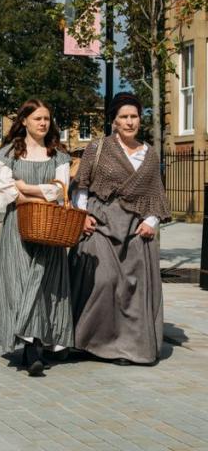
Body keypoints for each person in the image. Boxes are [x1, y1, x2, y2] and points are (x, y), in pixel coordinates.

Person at [69, 92, 170, 366]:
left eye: (134, 116)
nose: (129, 122)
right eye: (123, 117)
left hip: (135, 228)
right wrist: (82, 214)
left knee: (131, 287)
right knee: (104, 280)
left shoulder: (149, 155)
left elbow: (156, 196)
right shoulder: (97, 148)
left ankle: (126, 348)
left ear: (140, 119)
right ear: (113, 121)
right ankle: (88, 341)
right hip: (100, 222)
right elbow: (81, 186)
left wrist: (151, 223)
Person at [0, 99, 73, 376]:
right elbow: (4, 188)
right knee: (18, 282)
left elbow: (59, 191)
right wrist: (31, 191)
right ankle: (28, 347)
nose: (42, 123)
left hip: (49, 227)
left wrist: (26, 188)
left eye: (46, 119)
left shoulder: (58, 155)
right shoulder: (8, 154)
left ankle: (36, 345)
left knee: (44, 285)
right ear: (24, 120)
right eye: (37, 118)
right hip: (17, 227)